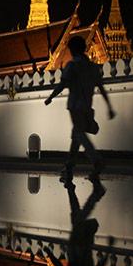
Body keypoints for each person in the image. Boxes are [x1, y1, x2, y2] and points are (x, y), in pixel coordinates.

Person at [44, 36, 115, 181]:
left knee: (78, 133)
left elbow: (62, 84)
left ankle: (96, 160)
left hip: (75, 105)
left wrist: (50, 97)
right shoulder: (93, 67)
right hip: (87, 106)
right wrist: (109, 106)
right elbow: (101, 88)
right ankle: (69, 166)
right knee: (76, 136)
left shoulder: (72, 65)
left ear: (73, 50)